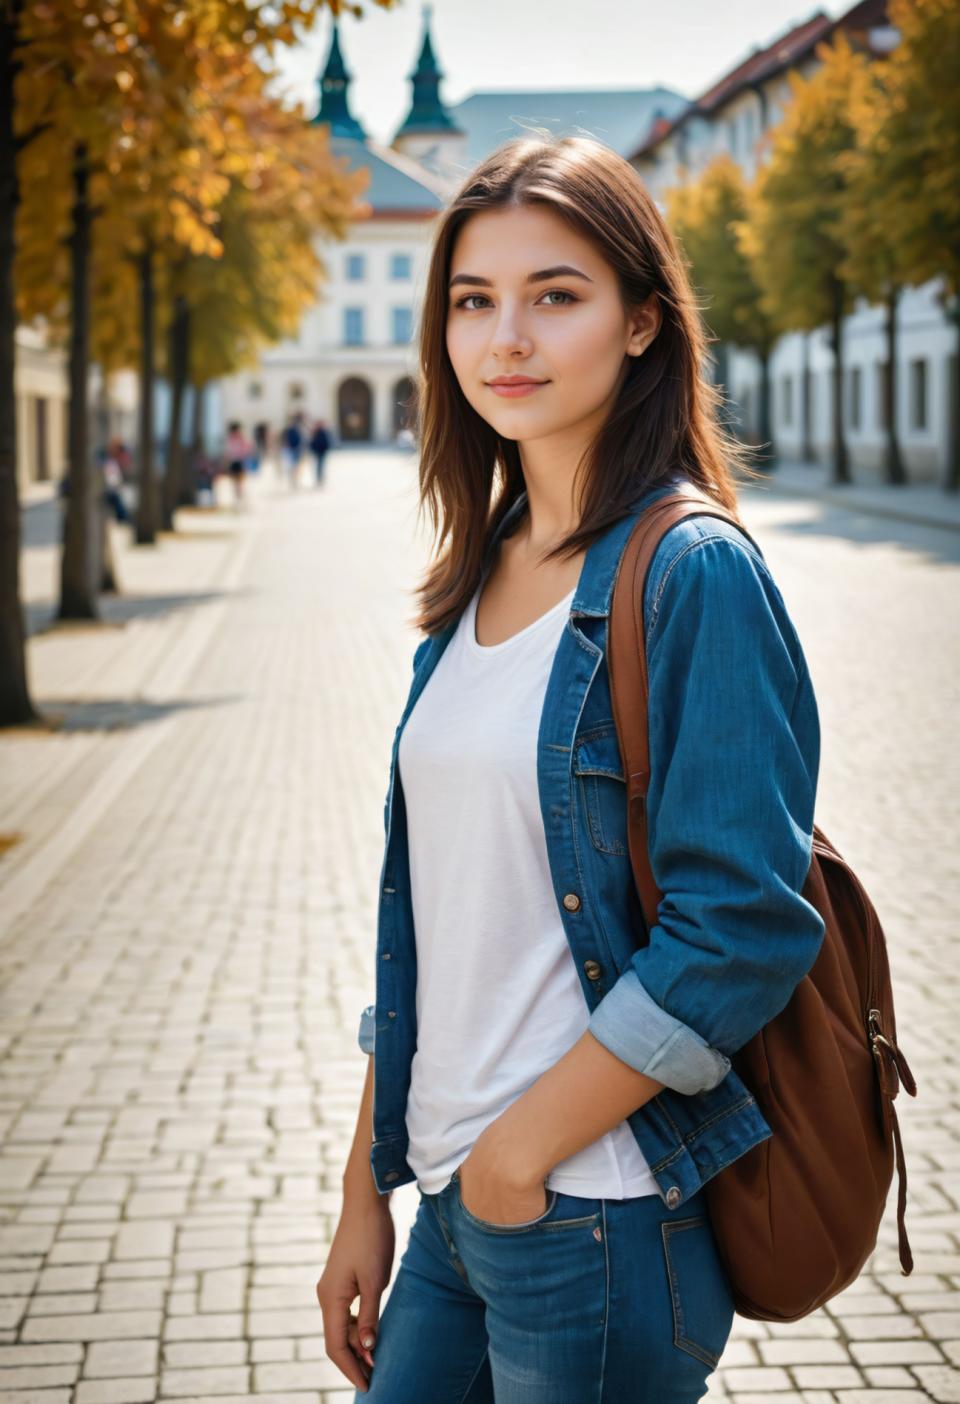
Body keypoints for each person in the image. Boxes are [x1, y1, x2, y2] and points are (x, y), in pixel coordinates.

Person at [317, 135, 824, 1402]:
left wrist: (518, 1155)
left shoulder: (691, 571)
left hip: (592, 1213)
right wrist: (366, 1186)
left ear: (644, 322)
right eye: (474, 302)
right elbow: (437, 919)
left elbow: (742, 928)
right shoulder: (480, 571)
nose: (508, 340)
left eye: (557, 295)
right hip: (453, 1205)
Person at [223, 421, 252, 508]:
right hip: (234, 462)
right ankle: (238, 499)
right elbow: (227, 452)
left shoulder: (241, 438)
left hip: (240, 462)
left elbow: (247, 449)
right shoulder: (231, 439)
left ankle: (240, 499)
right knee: (235, 483)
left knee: (239, 483)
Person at [281, 413, 304, 487]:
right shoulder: (290, 430)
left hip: (295, 449)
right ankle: (293, 479)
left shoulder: (297, 429)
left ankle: (295, 479)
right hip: (291, 450)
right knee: (293, 465)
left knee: (295, 465)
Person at [309, 418, 331, 487]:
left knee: (321, 466)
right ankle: (319, 479)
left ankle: (320, 479)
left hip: (322, 451)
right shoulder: (315, 432)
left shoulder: (324, 431)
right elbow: (312, 442)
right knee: (319, 466)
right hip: (318, 451)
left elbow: (327, 441)